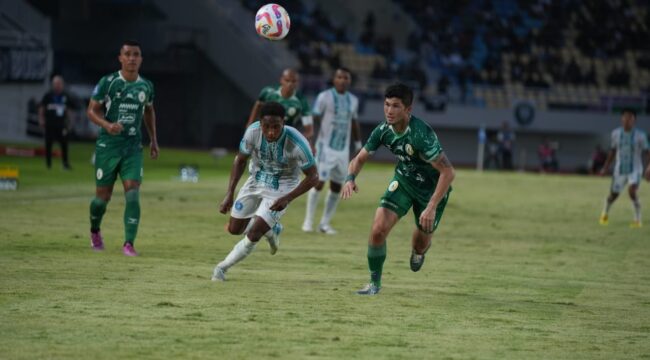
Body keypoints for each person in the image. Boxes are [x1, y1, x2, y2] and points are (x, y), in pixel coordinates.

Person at [341, 83, 455, 295]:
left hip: (431, 191)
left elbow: (448, 173)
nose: (389, 111)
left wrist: (431, 206)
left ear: (408, 110)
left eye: (395, 106)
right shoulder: (383, 131)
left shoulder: (421, 135)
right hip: (404, 182)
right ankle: (374, 285)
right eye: (386, 105)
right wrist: (350, 178)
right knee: (377, 230)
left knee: (420, 243)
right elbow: (360, 158)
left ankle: (420, 251)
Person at [212, 102, 318, 281]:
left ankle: (222, 268)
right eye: (266, 127)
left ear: (283, 123)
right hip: (256, 180)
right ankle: (272, 229)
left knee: (254, 233)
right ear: (260, 123)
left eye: (276, 127)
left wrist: (288, 198)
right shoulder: (252, 133)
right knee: (234, 229)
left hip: (282, 188)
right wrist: (229, 193)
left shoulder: (297, 143)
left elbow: (314, 177)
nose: (271, 132)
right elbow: (240, 160)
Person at [86, 40, 159, 256]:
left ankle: (129, 243)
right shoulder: (108, 82)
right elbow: (91, 110)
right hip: (108, 147)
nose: (132, 58)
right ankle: (95, 230)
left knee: (133, 193)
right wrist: (107, 125)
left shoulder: (146, 86)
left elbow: (149, 111)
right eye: (127, 54)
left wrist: (153, 140)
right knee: (101, 200)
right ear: (120, 58)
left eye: (136, 54)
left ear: (141, 59)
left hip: (132, 147)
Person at [302, 68, 362, 234]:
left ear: (349, 81)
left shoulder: (353, 100)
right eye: (339, 77)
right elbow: (314, 117)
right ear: (334, 79)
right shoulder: (324, 97)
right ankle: (308, 222)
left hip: (343, 151)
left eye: (346, 78)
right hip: (325, 148)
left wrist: (358, 145)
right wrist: (311, 141)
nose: (342, 80)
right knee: (318, 183)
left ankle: (324, 224)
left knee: (337, 187)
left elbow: (354, 122)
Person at [599, 109, 650, 228]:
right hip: (619, 170)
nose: (627, 120)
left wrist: (649, 167)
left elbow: (648, 152)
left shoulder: (640, 135)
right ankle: (605, 213)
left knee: (632, 191)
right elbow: (612, 151)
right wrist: (605, 167)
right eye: (625, 117)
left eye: (630, 118)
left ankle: (637, 220)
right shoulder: (615, 134)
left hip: (635, 169)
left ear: (634, 121)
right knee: (613, 195)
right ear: (622, 119)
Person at [246, 68, 314, 146]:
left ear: (297, 83)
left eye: (293, 81)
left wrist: (298, 142)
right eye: (287, 80)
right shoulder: (268, 92)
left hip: (285, 139)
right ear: (281, 80)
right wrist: (249, 125)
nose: (290, 84)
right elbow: (258, 105)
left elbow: (309, 131)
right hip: (264, 136)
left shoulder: (302, 101)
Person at [39, 75, 75, 170]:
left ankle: (65, 164)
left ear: (62, 85)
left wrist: (70, 122)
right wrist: (41, 119)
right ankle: (48, 164)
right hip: (50, 124)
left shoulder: (65, 96)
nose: (58, 86)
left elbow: (69, 110)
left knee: (64, 144)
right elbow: (42, 108)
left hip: (62, 125)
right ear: (53, 85)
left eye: (59, 84)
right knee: (48, 144)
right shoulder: (48, 96)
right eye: (56, 84)